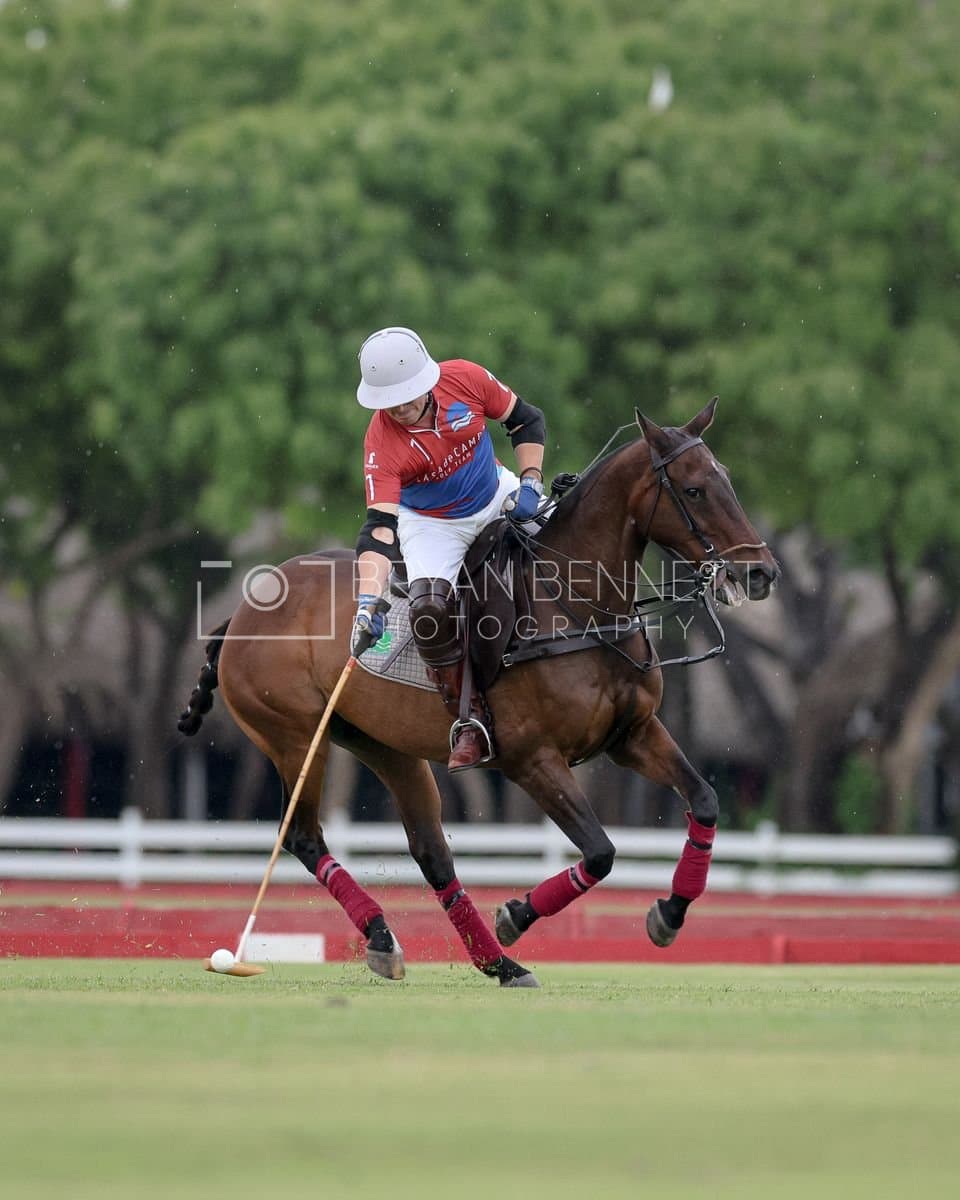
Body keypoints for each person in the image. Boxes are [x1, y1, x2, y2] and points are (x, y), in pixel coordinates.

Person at [350, 326, 546, 771]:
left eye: (408, 394)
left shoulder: (465, 378)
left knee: (572, 540)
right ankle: (470, 719)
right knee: (429, 610)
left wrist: (532, 480)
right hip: (432, 526)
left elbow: (525, 420)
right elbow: (379, 528)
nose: (400, 407)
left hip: (497, 491)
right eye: (389, 400)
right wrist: (368, 603)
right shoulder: (381, 443)